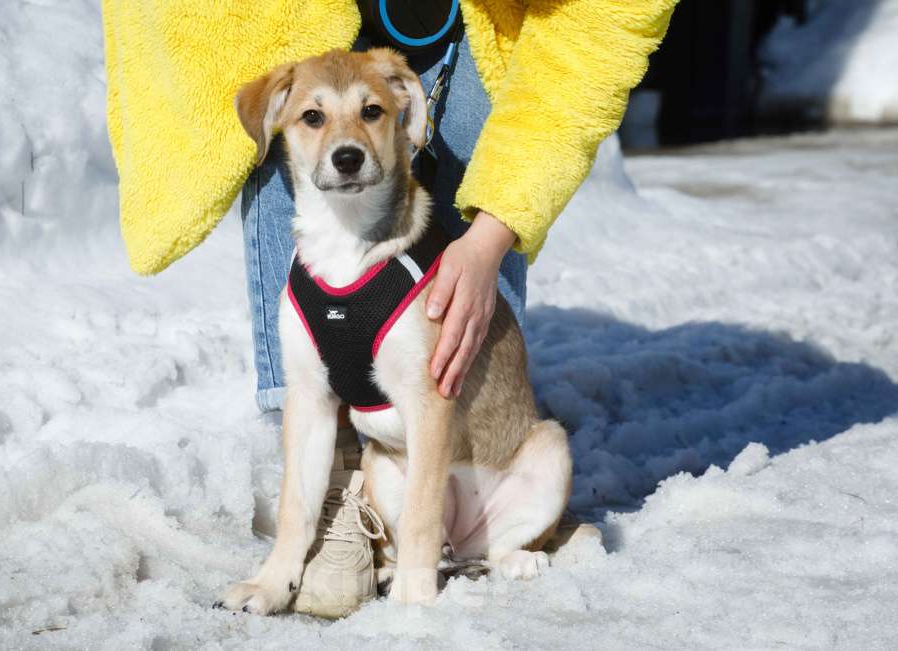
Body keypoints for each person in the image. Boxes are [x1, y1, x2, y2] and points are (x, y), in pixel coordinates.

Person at [103, 0, 676, 617]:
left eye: (370, 114)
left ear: (404, 109)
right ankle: (321, 531)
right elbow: (312, 405)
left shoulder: (409, 263)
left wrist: (486, 241)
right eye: (315, 120)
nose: (344, 142)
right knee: (317, 398)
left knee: (484, 393)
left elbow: (600, 32)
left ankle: (473, 547)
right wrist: (278, 571)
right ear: (279, 120)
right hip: (402, 458)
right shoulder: (305, 276)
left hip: (497, 481)